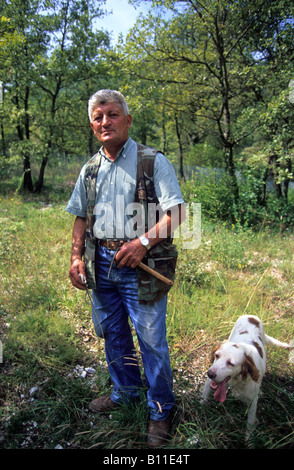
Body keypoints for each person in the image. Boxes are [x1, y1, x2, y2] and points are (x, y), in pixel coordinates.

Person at [66, 89, 185, 447]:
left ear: (128, 120)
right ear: (92, 125)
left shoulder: (151, 161)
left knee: (151, 340)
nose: (106, 122)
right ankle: (126, 394)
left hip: (142, 264)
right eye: (99, 117)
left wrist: (142, 242)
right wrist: (75, 257)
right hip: (101, 263)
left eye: (113, 114)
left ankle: (162, 409)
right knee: (112, 334)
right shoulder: (90, 169)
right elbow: (79, 218)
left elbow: (177, 213)